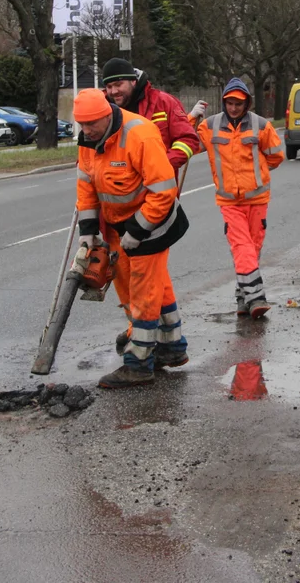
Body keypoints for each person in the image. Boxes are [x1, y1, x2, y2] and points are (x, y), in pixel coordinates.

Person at [72, 88, 191, 389]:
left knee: (143, 292)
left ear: (106, 114)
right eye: (81, 125)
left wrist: (137, 232)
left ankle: (138, 363)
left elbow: (163, 191)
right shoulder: (88, 139)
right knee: (156, 287)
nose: (86, 131)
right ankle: (173, 349)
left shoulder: (140, 134)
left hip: (153, 223)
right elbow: (86, 184)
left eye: (91, 125)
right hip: (118, 225)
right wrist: (88, 230)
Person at [188, 79, 284, 318]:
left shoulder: (261, 125)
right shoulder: (209, 126)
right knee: (242, 247)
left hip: (257, 198)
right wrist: (191, 118)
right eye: (229, 103)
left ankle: (242, 299)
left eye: (238, 103)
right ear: (223, 102)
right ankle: (256, 297)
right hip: (229, 201)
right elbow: (188, 144)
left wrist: (257, 173)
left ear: (246, 103)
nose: (233, 108)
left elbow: (276, 156)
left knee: (253, 248)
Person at [101, 57, 199, 177]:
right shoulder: (102, 110)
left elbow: (187, 140)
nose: (114, 91)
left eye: (118, 84)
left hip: (157, 188)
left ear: (133, 81)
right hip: (117, 189)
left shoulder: (164, 102)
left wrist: (160, 166)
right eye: (109, 87)